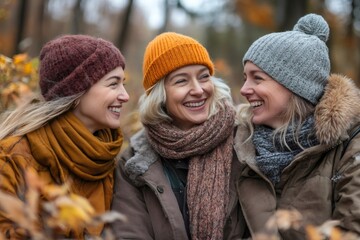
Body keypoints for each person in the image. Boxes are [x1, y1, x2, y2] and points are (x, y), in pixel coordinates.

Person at [235, 13, 360, 239]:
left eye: (257, 78)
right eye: (245, 77)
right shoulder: (238, 142)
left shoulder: (349, 147)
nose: (244, 89)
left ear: (294, 86)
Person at [110, 32, 247, 240]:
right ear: (160, 94)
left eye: (204, 77)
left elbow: (263, 227)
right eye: (182, 81)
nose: (198, 90)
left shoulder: (243, 143)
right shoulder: (133, 163)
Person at [0, 34, 129, 239]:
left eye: (123, 83)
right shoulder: (11, 158)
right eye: (113, 84)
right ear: (76, 92)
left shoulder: (107, 160)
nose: (125, 95)